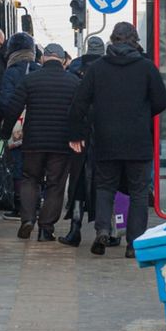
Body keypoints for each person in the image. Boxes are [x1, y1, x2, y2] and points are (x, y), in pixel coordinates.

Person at [68, 22, 166, 258]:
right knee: (139, 192)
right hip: (138, 141)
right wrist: (142, 113)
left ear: (112, 40)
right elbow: (162, 100)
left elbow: (79, 102)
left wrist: (76, 134)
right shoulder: (146, 67)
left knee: (104, 187)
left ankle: (103, 229)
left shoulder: (98, 68)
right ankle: (134, 244)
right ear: (134, 40)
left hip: (106, 139)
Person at [0, 43, 80, 241]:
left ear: (43, 58)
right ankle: (46, 229)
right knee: (55, 185)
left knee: (29, 179)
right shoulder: (73, 82)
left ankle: (27, 219)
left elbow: (13, 109)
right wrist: (78, 136)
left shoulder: (30, 80)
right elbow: (80, 113)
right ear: (62, 60)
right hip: (61, 144)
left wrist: (5, 132)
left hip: (33, 142)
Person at [59, 35, 106, 245]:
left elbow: (74, 107)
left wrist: (74, 135)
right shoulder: (108, 68)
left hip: (80, 136)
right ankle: (107, 230)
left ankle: (75, 228)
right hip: (104, 135)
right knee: (105, 183)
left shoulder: (75, 69)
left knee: (77, 182)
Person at [0, 32, 39, 218]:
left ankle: (20, 206)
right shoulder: (39, 69)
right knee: (37, 167)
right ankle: (37, 203)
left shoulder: (11, 72)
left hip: (17, 128)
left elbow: (5, 102)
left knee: (18, 168)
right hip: (39, 127)